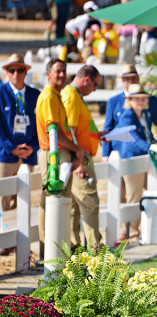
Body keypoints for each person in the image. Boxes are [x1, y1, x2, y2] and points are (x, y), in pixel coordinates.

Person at [110, 84, 157, 241]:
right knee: (134, 196)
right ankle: (132, 234)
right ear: (129, 100)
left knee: (153, 191)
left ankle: (145, 231)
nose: (140, 101)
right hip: (132, 159)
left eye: (142, 98)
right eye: (136, 99)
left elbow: (148, 137)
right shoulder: (127, 115)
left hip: (144, 159)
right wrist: (153, 149)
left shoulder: (144, 115)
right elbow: (134, 139)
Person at [36, 59, 86, 252]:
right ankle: (47, 250)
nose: (61, 75)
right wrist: (76, 149)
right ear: (48, 74)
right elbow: (53, 131)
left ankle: (55, 248)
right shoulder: (49, 96)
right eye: (57, 71)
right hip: (53, 153)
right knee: (51, 200)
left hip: (59, 152)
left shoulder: (55, 95)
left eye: (64, 71)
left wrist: (73, 152)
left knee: (59, 199)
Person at [0, 54, 40, 255]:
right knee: (6, 198)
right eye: (12, 70)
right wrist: (10, 148)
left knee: (24, 197)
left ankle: (19, 239)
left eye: (20, 70)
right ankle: (7, 238)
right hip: (6, 155)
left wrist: (33, 146)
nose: (16, 74)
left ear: (26, 72)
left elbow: (42, 125)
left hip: (28, 154)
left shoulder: (35, 95)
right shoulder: (0, 93)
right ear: (7, 72)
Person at [61, 64, 104, 247]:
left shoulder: (75, 96)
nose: (94, 90)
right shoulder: (71, 96)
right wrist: (77, 160)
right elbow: (69, 130)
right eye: (95, 85)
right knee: (89, 202)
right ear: (86, 79)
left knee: (76, 207)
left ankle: (75, 251)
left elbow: (77, 129)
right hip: (78, 159)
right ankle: (96, 251)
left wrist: (97, 135)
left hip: (79, 156)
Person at [103, 64, 157, 160]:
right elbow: (109, 129)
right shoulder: (114, 102)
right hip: (125, 152)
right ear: (122, 81)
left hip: (144, 149)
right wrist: (105, 155)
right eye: (127, 79)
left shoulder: (151, 101)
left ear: (138, 78)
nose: (130, 82)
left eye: (133, 78)